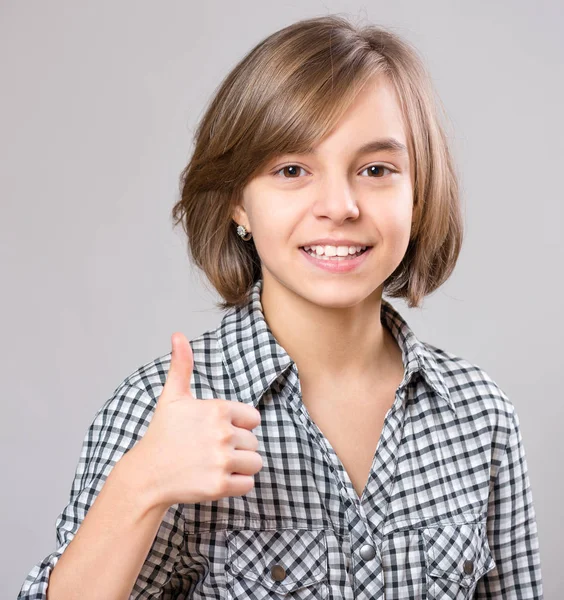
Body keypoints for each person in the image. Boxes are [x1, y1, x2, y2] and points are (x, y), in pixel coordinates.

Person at [18, 14, 543, 600]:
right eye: (292, 170)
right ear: (238, 205)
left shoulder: (481, 417)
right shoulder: (162, 415)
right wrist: (141, 484)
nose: (340, 206)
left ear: (418, 197)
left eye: (376, 170)